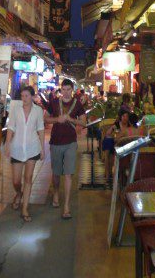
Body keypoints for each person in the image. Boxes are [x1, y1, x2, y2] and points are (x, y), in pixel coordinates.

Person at [45, 78, 86, 219]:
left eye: (69, 90)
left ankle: (67, 205)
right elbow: (46, 118)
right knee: (56, 173)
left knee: (68, 174)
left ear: (72, 90)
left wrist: (71, 119)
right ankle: (56, 191)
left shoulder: (78, 104)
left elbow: (84, 122)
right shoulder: (54, 103)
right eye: (64, 90)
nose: (66, 92)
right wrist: (57, 119)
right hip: (55, 141)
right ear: (61, 90)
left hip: (70, 142)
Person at [4, 86, 45, 222]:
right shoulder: (16, 110)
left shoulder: (38, 111)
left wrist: (42, 148)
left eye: (27, 96)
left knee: (28, 178)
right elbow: (11, 127)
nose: (24, 99)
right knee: (16, 180)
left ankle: (25, 208)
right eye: (22, 96)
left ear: (33, 97)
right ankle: (19, 193)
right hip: (17, 148)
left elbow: (40, 129)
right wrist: (7, 144)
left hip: (32, 148)